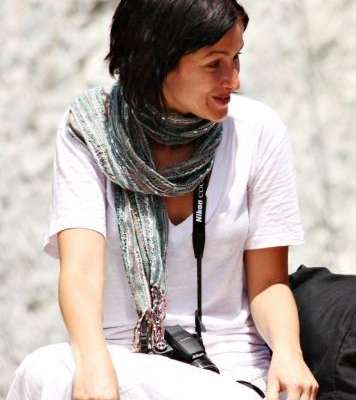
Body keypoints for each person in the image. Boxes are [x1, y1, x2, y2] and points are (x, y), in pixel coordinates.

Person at [8, 1, 318, 399]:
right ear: (158, 61)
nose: (234, 80)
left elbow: (269, 283)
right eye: (215, 64)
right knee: (43, 370)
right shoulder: (90, 131)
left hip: (227, 371)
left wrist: (289, 353)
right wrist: (92, 363)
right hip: (118, 359)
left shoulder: (258, 131)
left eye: (237, 58)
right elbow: (81, 270)